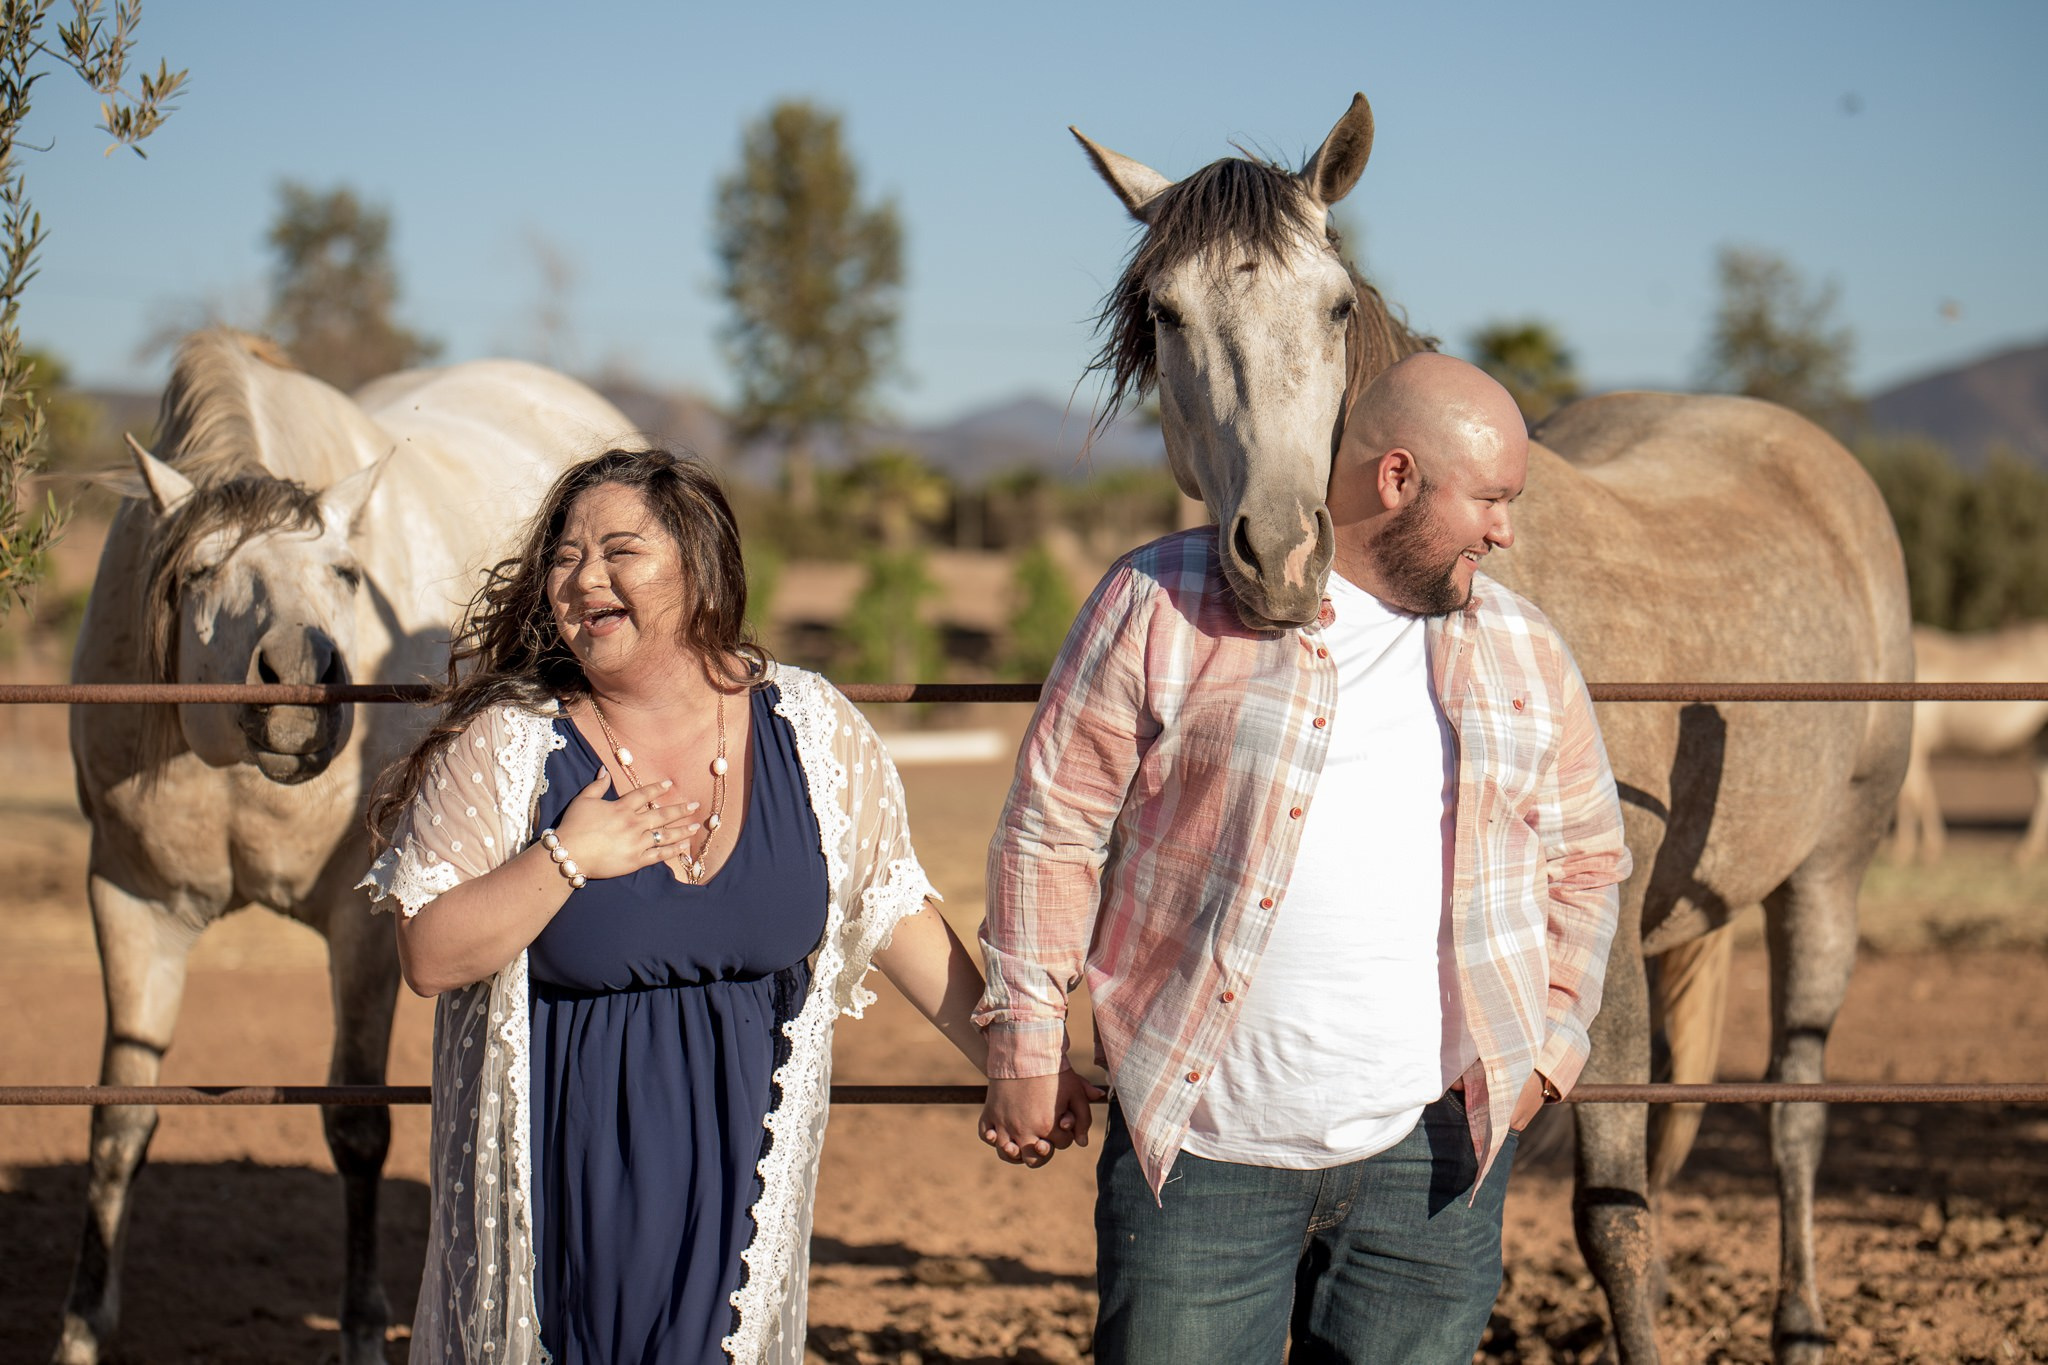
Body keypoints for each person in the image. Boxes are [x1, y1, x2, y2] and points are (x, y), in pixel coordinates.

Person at [975, 353, 1631, 1362]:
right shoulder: (1162, 600)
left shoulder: (1523, 645)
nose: (1506, 531)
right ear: (1396, 479)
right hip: (1202, 1153)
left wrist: (1547, 1050)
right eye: (1491, 499)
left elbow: (1586, 861)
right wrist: (1026, 1040)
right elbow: (1050, 825)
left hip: (1433, 1158)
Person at [361, 448, 987, 1365]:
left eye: (622, 550)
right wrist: (566, 857)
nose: (584, 579)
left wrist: (1016, 1058)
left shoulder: (809, 729)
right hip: (566, 1222)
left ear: (701, 566)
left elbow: (890, 907)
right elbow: (430, 954)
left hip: (738, 1210)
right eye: (565, 556)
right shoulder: (510, 746)